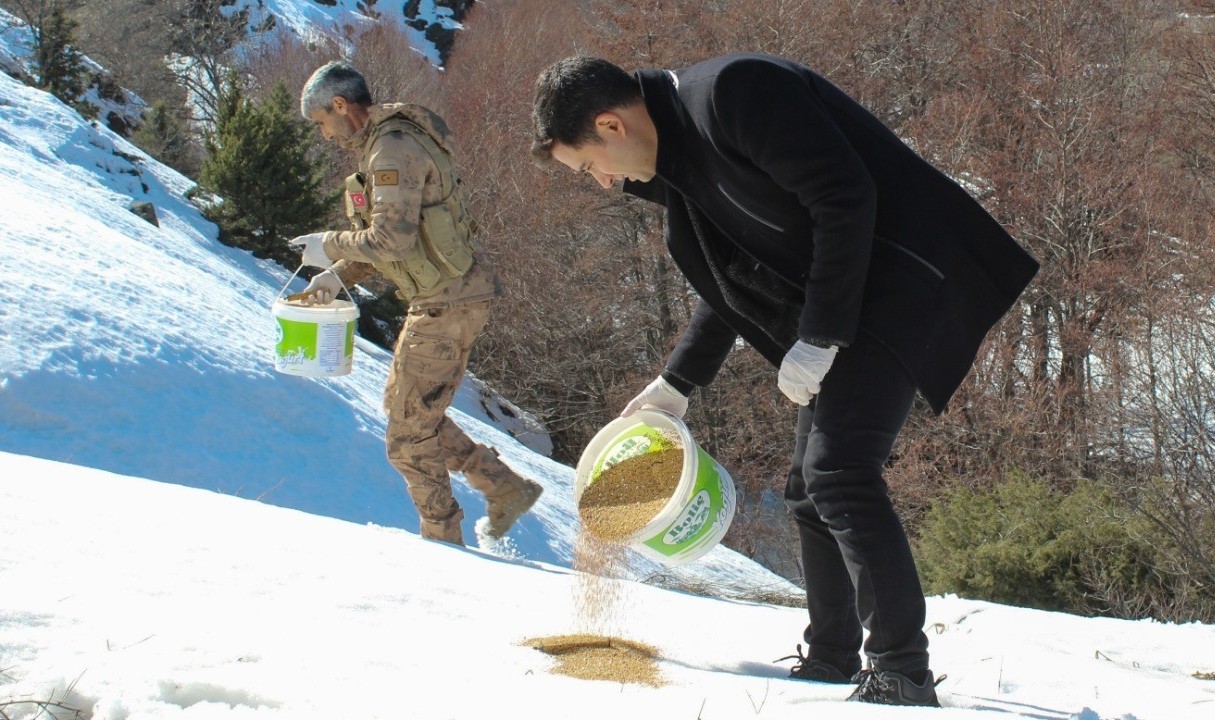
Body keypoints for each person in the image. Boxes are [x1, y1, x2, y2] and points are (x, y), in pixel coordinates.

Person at [531, 54, 1039, 707]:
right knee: (808, 488)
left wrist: (820, 334)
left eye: (587, 166)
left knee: (838, 472)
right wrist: (677, 383)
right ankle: (831, 656)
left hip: (904, 280)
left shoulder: (734, 96)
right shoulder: (683, 170)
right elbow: (731, 281)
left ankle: (901, 673)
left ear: (610, 124)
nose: (603, 182)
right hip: (849, 297)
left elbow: (845, 196)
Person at [289, 61, 542, 546]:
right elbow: (396, 240)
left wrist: (329, 244)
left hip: (447, 303)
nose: (324, 135)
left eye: (322, 122)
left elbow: (391, 240)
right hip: (446, 298)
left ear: (340, 105)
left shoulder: (392, 150)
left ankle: (443, 543)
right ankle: (503, 487)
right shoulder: (386, 145)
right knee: (406, 411)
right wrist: (336, 277)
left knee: (406, 437)